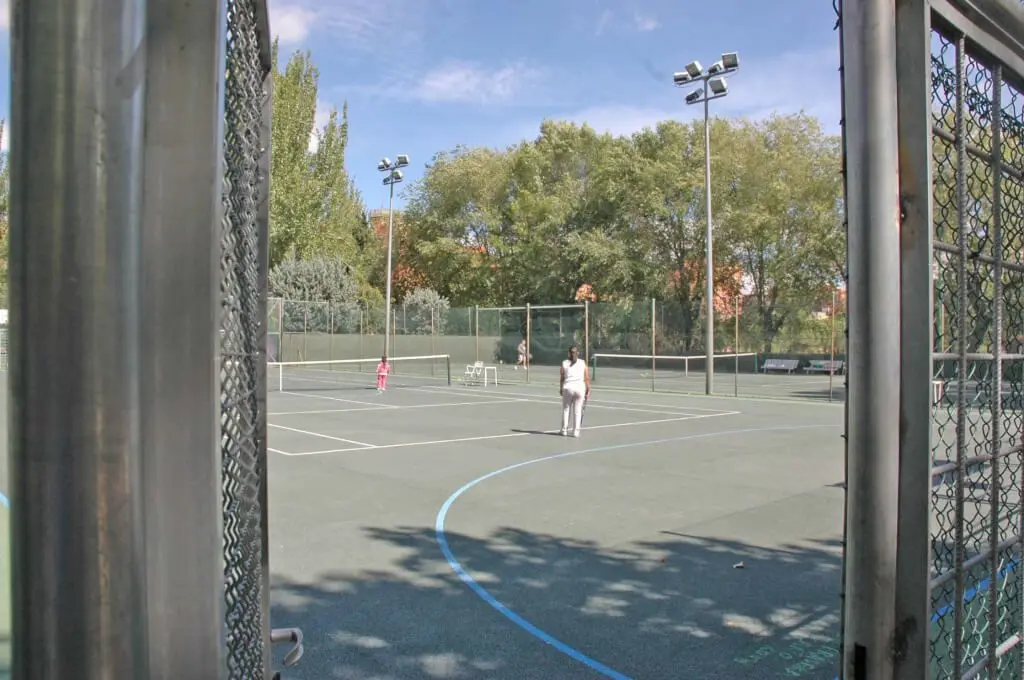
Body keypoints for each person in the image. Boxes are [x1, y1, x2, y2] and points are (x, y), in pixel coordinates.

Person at [559, 345, 590, 437]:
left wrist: (561, 388)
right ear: (578, 353)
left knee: (566, 410)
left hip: (568, 388)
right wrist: (588, 390)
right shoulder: (583, 363)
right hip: (580, 389)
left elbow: (562, 378)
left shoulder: (564, 363)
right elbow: (586, 378)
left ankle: (564, 430)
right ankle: (576, 432)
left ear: (569, 353)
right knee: (577, 411)